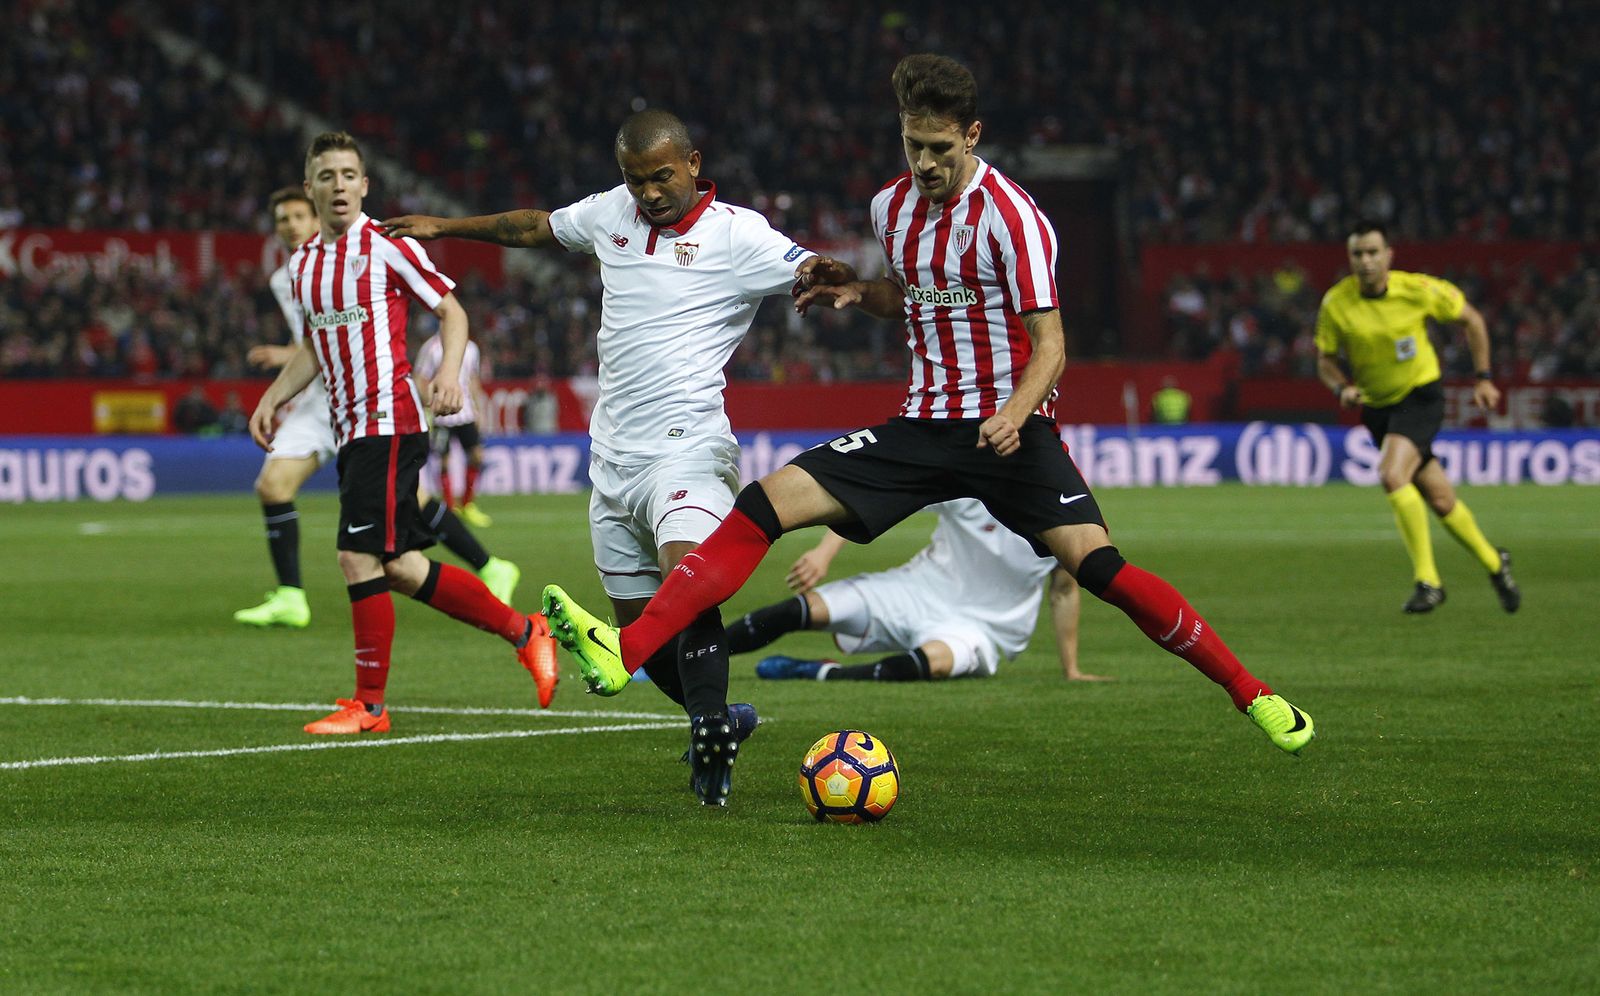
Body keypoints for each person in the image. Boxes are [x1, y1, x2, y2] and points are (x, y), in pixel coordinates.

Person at [543, 55, 1315, 805]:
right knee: (761, 506)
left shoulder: (1016, 218)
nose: (925, 163)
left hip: (1011, 434)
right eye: (913, 145)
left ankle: (1254, 694)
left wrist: (1014, 414)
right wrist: (857, 291)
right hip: (923, 428)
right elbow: (911, 298)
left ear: (971, 135)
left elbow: (1052, 345)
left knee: (1102, 569)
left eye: (940, 149)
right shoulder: (891, 208)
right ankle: (629, 650)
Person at [382, 109, 856, 805]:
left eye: (661, 176)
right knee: (643, 634)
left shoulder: (738, 235)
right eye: (635, 179)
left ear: (693, 163)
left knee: (683, 581)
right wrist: (447, 228)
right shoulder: (613, 213)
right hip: (613, 459)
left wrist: (821, 269)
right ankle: (716, 721)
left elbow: (800, 264)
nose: (649, 193)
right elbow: (537, 227)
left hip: (686, 448)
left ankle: (711, 744)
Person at [248, 132, 557, 731]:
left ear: (364, 185)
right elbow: (316, 346)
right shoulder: (304, 264)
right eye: (327, 176)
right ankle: (525, 631)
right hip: (350, 429)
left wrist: (448, 373)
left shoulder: (386, 247)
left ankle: (370, 705)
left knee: (355, 557)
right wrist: (273, 397)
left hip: (389, 420)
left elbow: (452, 311)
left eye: (348, 175)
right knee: (401, 566)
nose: (338, 185)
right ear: (312, 188)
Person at [234, 187, 522, 629]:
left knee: (400, 529)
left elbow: (374, 327)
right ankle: (291, 596)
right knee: (273, 485)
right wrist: (278, 386)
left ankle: (491, 571)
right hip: (319, 403)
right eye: (282, 219)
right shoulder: (290, 273)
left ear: (317, 218)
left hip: (373, 401)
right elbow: (317, 339)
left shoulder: (370, 252)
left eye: (297, 216)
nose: (290, 225)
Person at [1315, 220, 1520, 614]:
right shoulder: (1336, 303)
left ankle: (1429, 581)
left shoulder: (1418, 290)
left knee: (1392, 474)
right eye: (1358, 254)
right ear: (1349, 258)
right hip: (1377, 407)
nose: (1366, 261)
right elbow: (1324, 359)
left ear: (1389, 256)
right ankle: (1496, 563)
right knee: (1441, 499)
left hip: (1421, 396)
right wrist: (1342, 386)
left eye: (1373, 252)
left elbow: (1472, 320)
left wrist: (1484, 378)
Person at [728, 498, 1108, 684]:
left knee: (935, 662)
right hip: (915, 590)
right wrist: (824, 553)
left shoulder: (1060, 522)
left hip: (982, 630)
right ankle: (692, 652)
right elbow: (881, 498)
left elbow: (1064, 590)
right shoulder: (974, 489)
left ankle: (819, 672)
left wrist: (1071, 669)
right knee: (806, 609)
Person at [415, 329, 493, 526]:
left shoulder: (471, 348)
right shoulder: (431, 348)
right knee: (443, 461)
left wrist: (478, 409)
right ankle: (451, 508)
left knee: (477, 456)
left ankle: (467, 505)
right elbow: (419, 379)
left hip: (465, 412)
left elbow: (473, 380)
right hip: (442, 416)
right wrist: (429, 403)